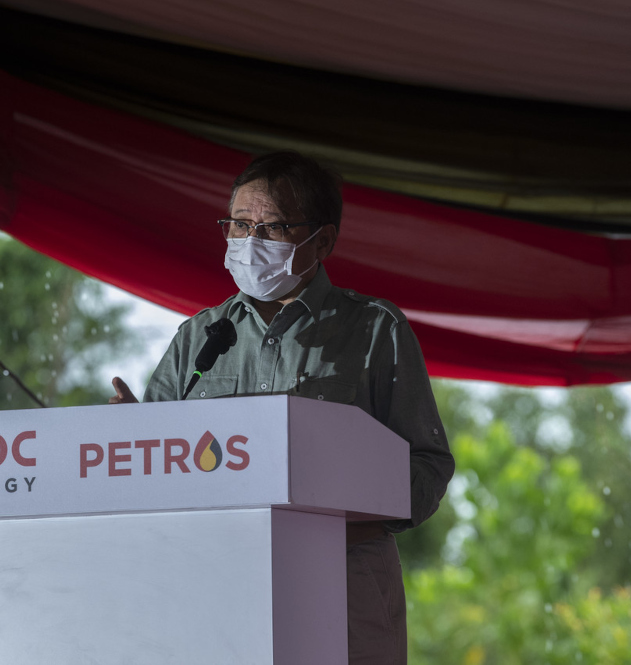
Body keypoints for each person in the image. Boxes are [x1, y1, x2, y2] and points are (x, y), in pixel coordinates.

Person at [109, 151, 454, 664]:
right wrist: (128, 438)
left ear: (323, 241)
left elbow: (428, 466)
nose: (249, 244)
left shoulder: (375, 330)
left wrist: (336, 519)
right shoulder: (198, 336)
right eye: (239, 225)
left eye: (270, 229)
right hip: (218, 590)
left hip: (343, 589)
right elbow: (152, 467)